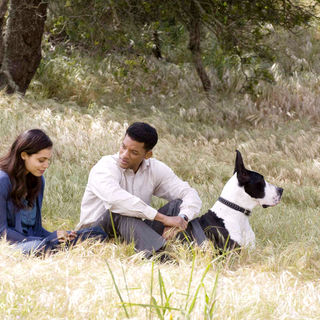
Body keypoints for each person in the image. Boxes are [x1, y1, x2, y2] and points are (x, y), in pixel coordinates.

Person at [77, 122, 206, 258]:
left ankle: (204, 253)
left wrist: (181, 218)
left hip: (133, 233)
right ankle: (161, 259)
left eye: (133, 152)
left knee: (178, 205)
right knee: (119, 212)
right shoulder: (105, 166)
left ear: (147, 154)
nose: (124, 155)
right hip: (95, 235)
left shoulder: (154, 169)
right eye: (123, 147)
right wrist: (163, 219)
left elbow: (189, 193)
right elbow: (115, 201)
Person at [0, 129, 107, 255]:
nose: (46, 165)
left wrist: (60, 236)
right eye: (41, 160)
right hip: (13, 245)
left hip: (37, 242)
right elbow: (2, 232)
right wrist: (46, 241)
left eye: (47, 160)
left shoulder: (38, 180)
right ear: (24, 155)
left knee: (96, 234)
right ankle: (52, 248)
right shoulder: (3, 180)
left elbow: (37, 229)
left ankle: (55, 247)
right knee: (42, 246)